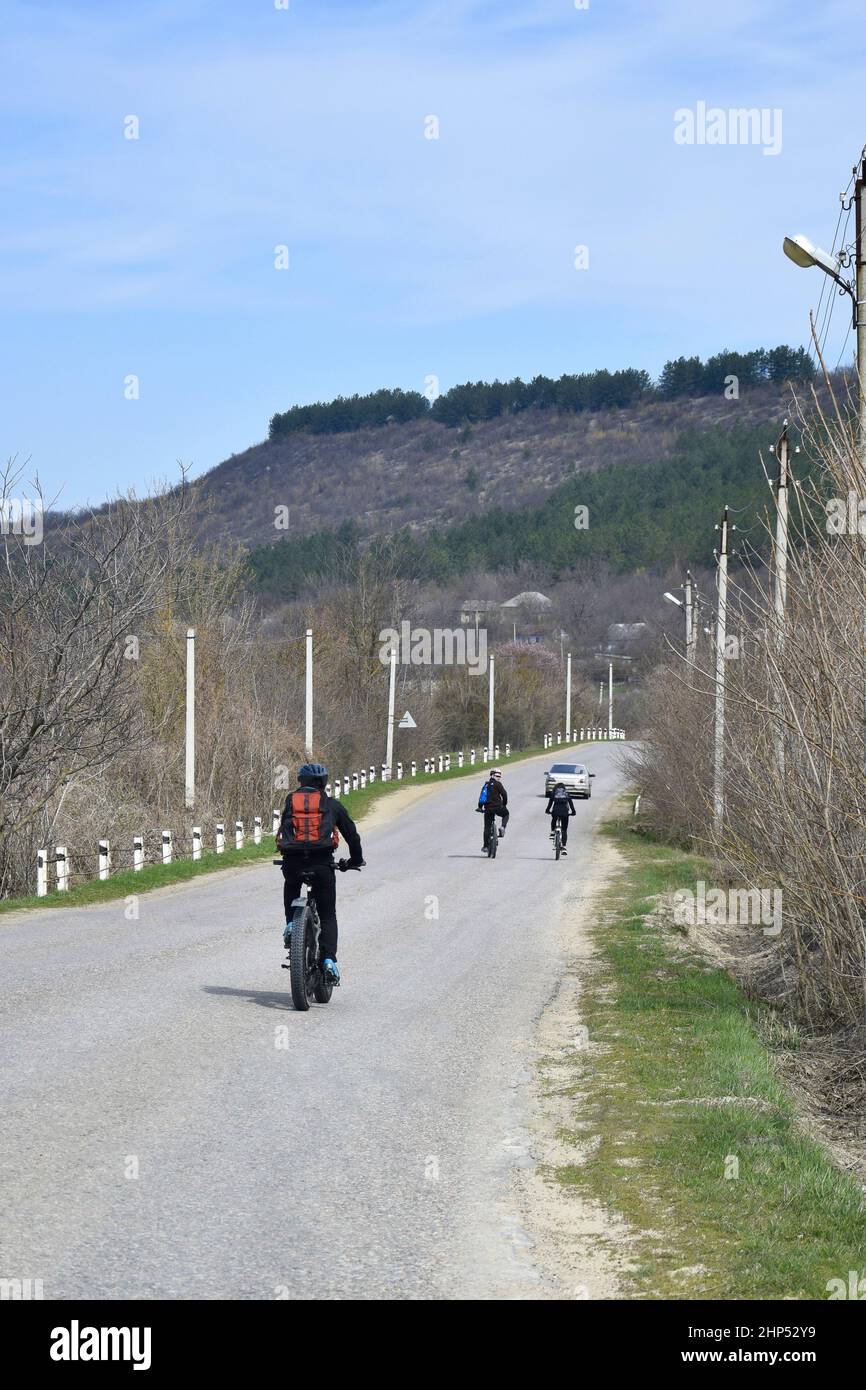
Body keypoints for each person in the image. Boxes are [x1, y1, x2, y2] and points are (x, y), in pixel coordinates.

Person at [276, 763, 364, 984]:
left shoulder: (290, 802)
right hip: (322, 865)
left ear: (301, 782)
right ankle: (329, 961)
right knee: (327, 915)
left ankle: (290, 924)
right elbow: (352, 836)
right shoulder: (331, 805)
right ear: (324, 783)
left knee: (291, 884)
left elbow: (284, 833)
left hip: (293, 863)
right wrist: (355, 860)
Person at [477, 768, 509, 851]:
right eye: (497, 776)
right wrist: (504, 804)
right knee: (506, 814)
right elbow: (504, 794)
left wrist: (480, 807)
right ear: (493, 775)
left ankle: (485, 846)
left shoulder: (486, 785)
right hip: (498, 807)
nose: (499, 778)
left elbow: (482, 797)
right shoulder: (498, 784)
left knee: (487, 827)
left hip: (488, 809)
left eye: (499, 776)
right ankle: (502, 827)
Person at [545, 780, 576, 853]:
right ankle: (564, 847)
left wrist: (547, 810)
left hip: (555, 812)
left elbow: (550, 804)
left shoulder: (554, 794)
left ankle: (552, 832)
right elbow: (571, 804)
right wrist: (573, 812)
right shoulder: (567, 794)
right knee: (564, 830)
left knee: (554, 819)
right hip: (565, 813)